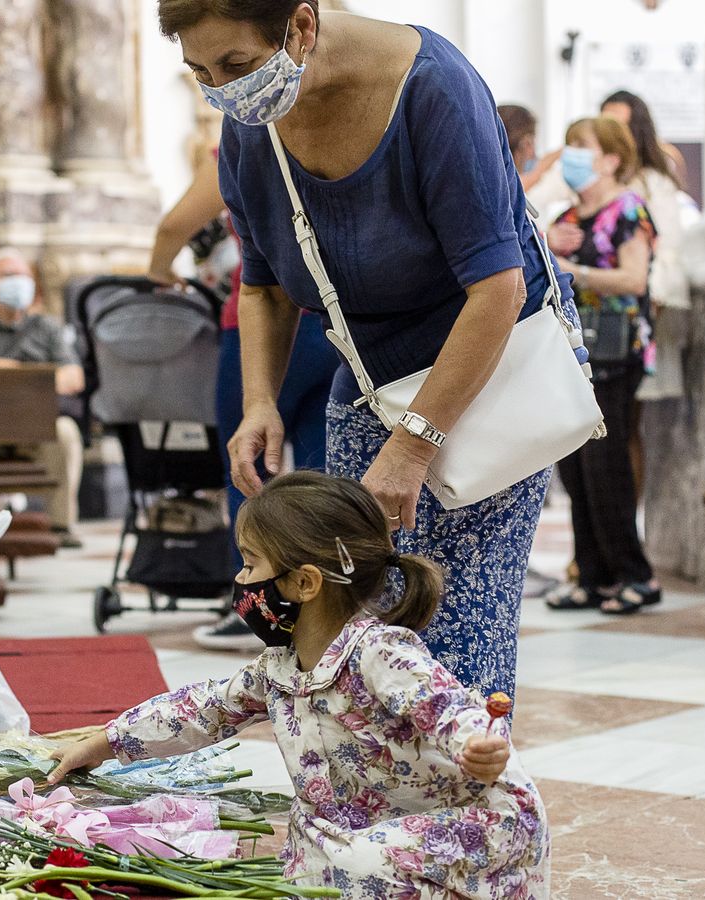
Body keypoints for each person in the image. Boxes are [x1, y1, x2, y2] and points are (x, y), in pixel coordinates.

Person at [158, 1, 576, 699]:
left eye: (234, 65)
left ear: (300, 26)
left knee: (452, 625)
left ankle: (465, 799)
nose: (221, 88)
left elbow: (495, 290)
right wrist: (260, 399)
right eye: (198, 70)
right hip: (367, 369)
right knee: (346, 611)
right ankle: (361, 797)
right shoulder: (252, 125)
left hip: (485, 368)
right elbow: (261, 284)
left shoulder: (433, 88)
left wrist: (414, 447)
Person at [49, 471, 550, 898]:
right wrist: (103, 743)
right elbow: (202, 709)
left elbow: (448, 709)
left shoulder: (379, 652)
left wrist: (480, 746)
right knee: (310, 855)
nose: (242, 582)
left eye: (250, 563)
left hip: (469, 824)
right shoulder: (278, 667)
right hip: (355, 827)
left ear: (305, 583)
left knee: (350, 864)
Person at [147, 146, 341, 652]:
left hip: (262, 325)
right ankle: (327, 603)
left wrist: (159, 272)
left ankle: (258, 604)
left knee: (250, 463)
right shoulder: (327, 130)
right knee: (324, 469)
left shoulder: (240, 144)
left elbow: (174, 226)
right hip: (333, 321)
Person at [544, 116, 660, 615]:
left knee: (606, 465)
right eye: (568, 144)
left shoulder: (629, 209)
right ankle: (590, 575)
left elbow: (634, 279)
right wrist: (547, 245)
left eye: (582, 147)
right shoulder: (567, 219)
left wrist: (577, 272)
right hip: (572, 353)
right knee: (574, 467)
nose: (571, 154)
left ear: (611, 159)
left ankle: (635, 575)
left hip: (614, 351)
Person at [0, 248, 87, 549]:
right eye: (7, 275)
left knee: (66, 433)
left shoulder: (47, 327)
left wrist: (6, 372)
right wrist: (35, 375)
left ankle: (61, 524)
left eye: (22, 276)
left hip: (36, 425)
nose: (17, 282)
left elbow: (73, 377)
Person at [600, 89, 693, 472]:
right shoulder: (597, 179)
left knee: (623, 427)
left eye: (620, 126)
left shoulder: (654, 183)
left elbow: (668, 247)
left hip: (630, 317)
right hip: (595, 315)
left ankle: (626, 521)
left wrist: (646, 303)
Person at [496, 103, 558, 195]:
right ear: (526, 143)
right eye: (532, 141)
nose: (533, 154)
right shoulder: (507, 190)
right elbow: (515, 188)